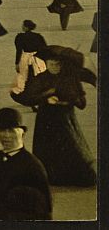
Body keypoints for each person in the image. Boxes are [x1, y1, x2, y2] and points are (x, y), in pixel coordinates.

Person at [11, 46, 97, 186]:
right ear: (46, 64)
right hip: (46, 121)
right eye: (52, 64)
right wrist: (47, 95)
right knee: (48, 151)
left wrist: (67, 101)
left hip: (66, 121)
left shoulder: (70, 79)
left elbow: (82, 104)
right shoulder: (41, 79)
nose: (55, 67)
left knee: (71, 149)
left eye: (58, 64)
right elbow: (27, 98)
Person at [0, 108, 52, 220]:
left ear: (23, 133)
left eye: (12, 131)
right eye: (2, 130)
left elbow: (43, 211)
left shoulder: (32, 166)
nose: (6, 136)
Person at [11, 20, 47, 95]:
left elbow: (19, 51)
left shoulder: (20, 37)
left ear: (26, 27)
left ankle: (26, 91)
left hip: (26, 57)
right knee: (38, 73)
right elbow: (44, 48)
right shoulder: (38, 36)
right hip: (37, 57)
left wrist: (17, 63)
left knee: (25, 75)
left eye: (23, 25)